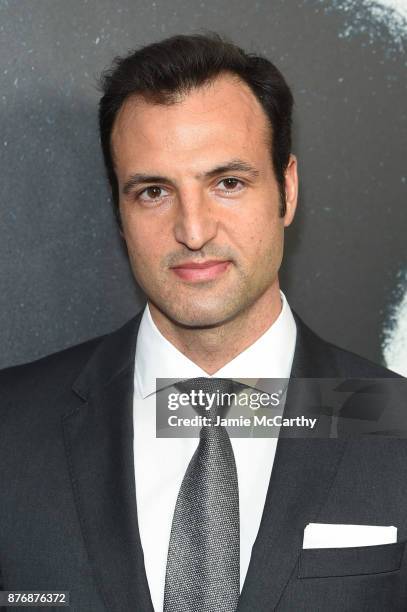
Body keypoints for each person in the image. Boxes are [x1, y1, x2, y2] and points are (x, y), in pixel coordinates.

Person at [0, 33, 406, 612]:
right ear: (119, 210)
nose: (193, 231)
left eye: (228, 183)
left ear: (286, 190)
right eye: (153, 192)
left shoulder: (395, 423)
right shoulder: (10, 429)